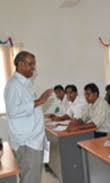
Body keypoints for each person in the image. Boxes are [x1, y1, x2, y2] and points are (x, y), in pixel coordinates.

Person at [4, 51, 53, 183]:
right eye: (31, 64)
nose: (34, 68)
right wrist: (38, 101)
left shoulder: (26, 83)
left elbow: (29, 108)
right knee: (30, 179)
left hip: (33, 140)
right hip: (27, 142)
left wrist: (38, 102)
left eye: (34, 64)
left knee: (33, 177)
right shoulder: (14, 85)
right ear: (20, 64)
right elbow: (13, 111)